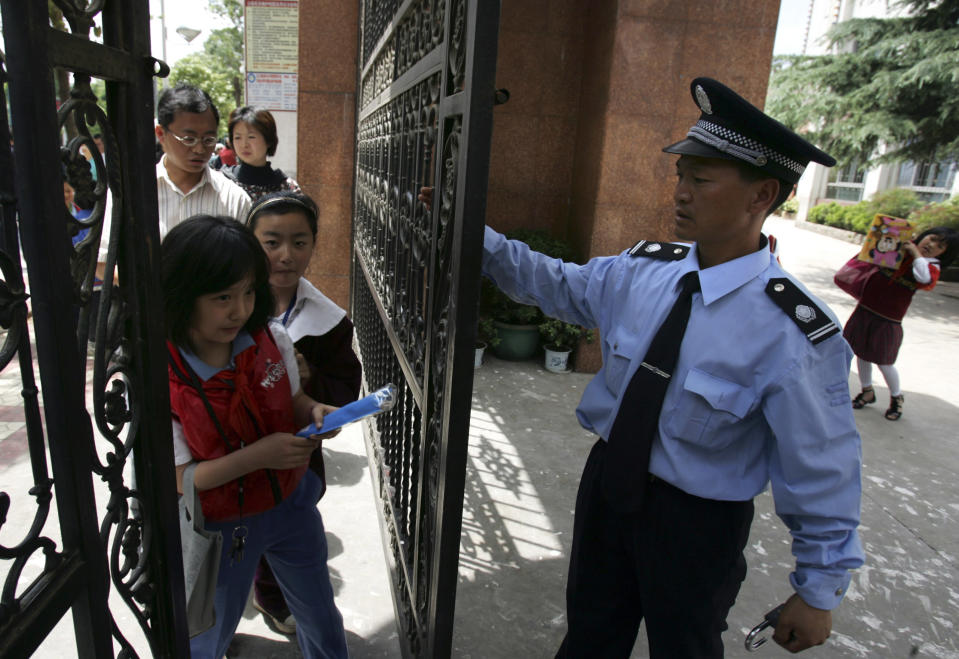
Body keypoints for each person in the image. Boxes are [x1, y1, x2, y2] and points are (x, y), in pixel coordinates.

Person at [472, 77, 864, 657]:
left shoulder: (793, 330)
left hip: (696, 524)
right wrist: (472, 237)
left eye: (701, 180)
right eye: (681, 175)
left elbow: (821, 466)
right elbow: (553, 283)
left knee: (685, 646)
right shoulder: (643, 271)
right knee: (590, 636)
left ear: (762, 195)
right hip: (608, 490)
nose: (681, 192)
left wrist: (819, 589)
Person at [162, 215, 349, 659]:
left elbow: (294, 399)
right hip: (224, 527)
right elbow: (181, 478)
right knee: (208, 634)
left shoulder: (271, 338)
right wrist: (259, 457)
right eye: (222, 297)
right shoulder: (164, 377)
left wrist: (316, 412)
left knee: (320, 613)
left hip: (291, 504)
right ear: (182, 295)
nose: (240, 310)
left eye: (248, 292)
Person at [244, 190, 362, 633]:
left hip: (295, 456)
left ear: (315, 244)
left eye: (299, 242)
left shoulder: (329, 320)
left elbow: (345, 392)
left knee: (283, 533)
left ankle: (274, 599)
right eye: (270, 242)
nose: (285, 255)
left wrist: (308, 379)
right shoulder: (226, 304)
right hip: (228, 451)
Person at [845, 226, 959, 420]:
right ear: (924, 235)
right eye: (931, 239)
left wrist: (915, 252)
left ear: (944, 254)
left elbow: (924, 277)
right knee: (861, 354)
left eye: (940, 246)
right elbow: (871, 254)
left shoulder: (929, 266)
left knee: (884, 362)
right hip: (866, 310)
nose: (931, 245)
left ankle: (897, 398)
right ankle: (867, 391)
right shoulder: (898, 250)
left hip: (888, 320)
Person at [153, 83, 251, 237]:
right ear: (161, 134)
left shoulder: (234, 199)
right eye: (189, 139)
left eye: (208, 139)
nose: (199, 149)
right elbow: (105, 257)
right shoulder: (135, 194)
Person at [223, 106, 301, 202]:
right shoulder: (223, 181)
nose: (244, 145)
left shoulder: (287, 188)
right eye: (237, 137)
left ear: (269, 140)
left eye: (251, 137)